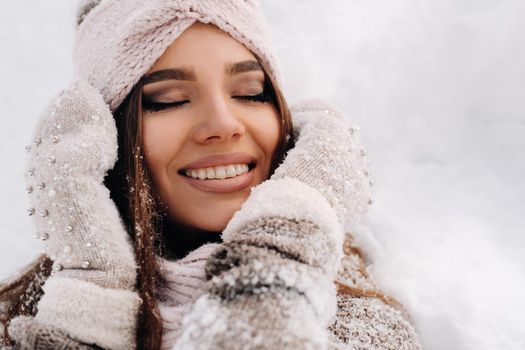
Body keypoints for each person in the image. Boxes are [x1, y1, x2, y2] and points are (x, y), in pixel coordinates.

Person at [0, 1, 422, 349]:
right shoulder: (19, 323)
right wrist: (93, 294)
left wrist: (275, 263)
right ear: (105, 137)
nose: (223, 123)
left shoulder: (357, 320)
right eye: (167, 100)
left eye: (250, 93)